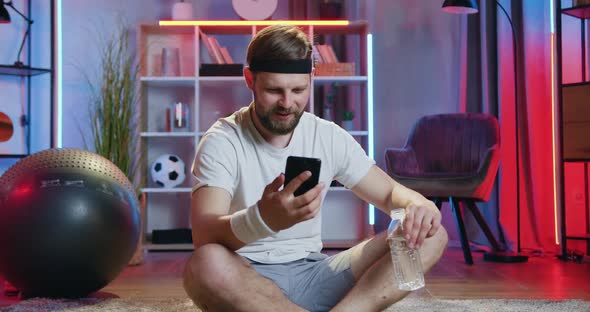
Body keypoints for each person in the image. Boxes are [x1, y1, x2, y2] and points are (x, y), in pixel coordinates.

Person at [183, 24, 448, 312]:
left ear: (311, 78)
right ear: (250, 79)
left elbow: (389, 194)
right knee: (204, 264)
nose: (287, 103)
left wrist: (419, 205)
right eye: (274, 90)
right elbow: (204, 233)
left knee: (433, 234)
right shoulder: (222, 141)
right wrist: (263, 218)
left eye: (299, 90)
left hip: (316, 275)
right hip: (245, 275)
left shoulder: (327, 135)